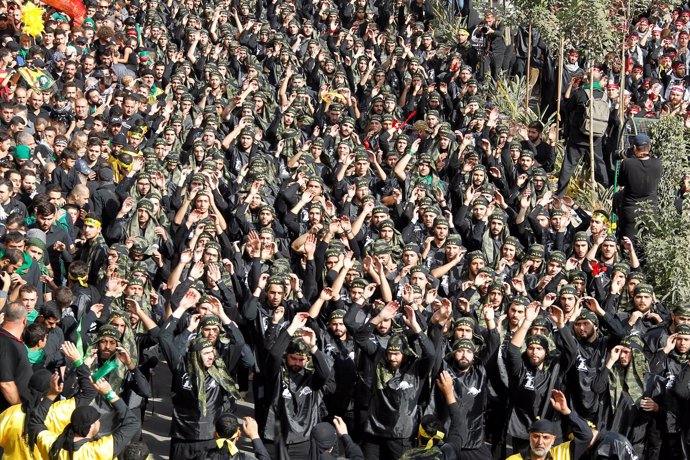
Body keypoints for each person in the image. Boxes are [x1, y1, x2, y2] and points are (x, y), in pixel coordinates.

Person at [615, 134, 663, 243]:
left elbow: (620, 182)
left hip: (631, 210)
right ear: (649, 147)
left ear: (634, 148)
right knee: (648, 245)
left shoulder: (627, 163)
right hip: (650, 210)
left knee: (628, 245)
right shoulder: (658, 164)